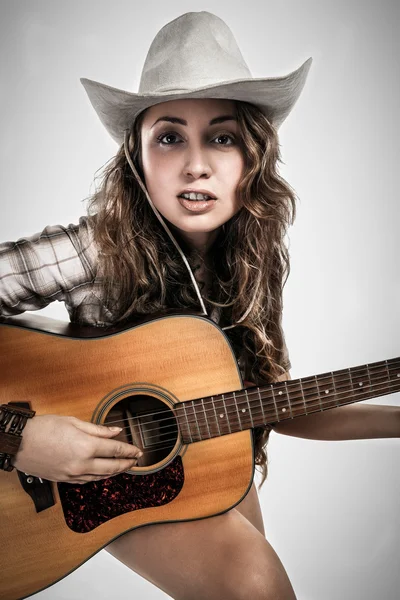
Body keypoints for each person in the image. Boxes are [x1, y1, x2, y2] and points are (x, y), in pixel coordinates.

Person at [0, 11, 399, 600]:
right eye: (169, 137)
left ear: (252, 155)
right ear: (137, 157)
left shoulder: (250, 258)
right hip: (68, 487)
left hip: (198, 463)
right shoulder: (95, 248)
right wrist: (18, 435)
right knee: (253, 583)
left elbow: (268, 403)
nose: (196, 164)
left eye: (221, 136)